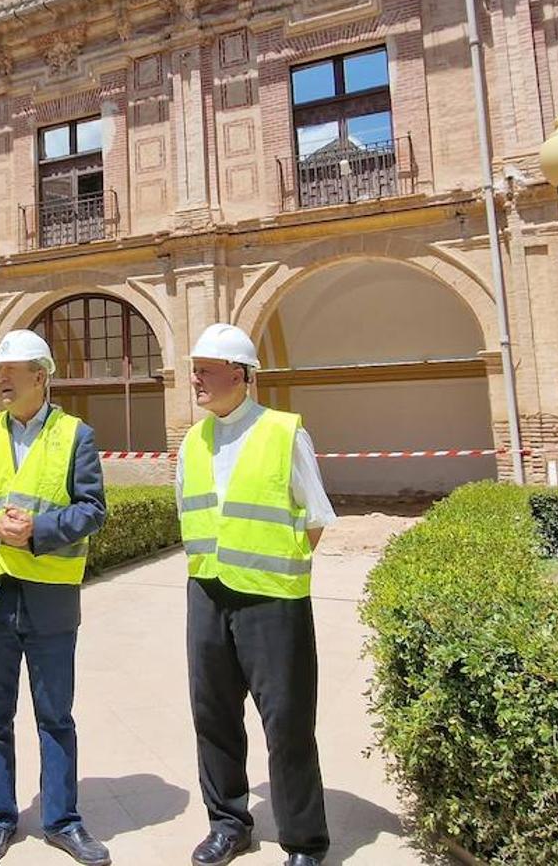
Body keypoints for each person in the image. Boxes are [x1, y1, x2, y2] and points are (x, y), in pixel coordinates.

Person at [0, 329, 110, 866]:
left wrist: (38, 529)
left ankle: (63, 820)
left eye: (10, 373)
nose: (1, 381)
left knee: (55, 715)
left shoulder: (75, 436)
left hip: (48, 597)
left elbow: (92, 509)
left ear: (40, 376)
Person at [179, 324, 335, 866]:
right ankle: (228, 823)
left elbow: (315, 517)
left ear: (241, 374)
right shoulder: (191, 441)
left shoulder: (285, 433)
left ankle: (303, 841)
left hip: (272, 600)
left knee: (287, 722)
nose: (194, 377)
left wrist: (273, 564)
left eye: (206, 368)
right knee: (213, 715)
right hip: (206, 593)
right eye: (194, 367)